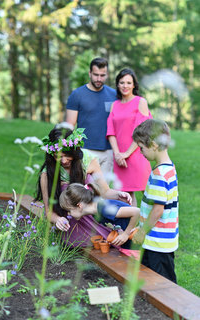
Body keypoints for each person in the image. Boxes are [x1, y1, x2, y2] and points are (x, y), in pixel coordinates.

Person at [35, 123, 132, 248]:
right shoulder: (47, 173)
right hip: (71, 223)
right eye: (58, 157)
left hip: (92, 216)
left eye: (66, 155)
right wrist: (58, 220)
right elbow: (48, 211)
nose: (63, 161)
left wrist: (118, 194)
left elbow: (105, 191)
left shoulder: (88, 161)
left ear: (74, 151)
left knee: (117, 231)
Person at [132, 119, 178, 283]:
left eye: (141, 148)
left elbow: (158, 210)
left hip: (157, 241)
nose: (141, 152)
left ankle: (170, 308)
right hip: (160, 240)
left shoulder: (159, 174)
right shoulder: (169, 168)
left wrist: (143, 231)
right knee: (149, 278)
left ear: (154, 145)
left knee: (161, 284)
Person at [106, 68, 152, 206]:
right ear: (117, 84)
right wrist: (118, 154)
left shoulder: (140, 102)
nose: (125, 86)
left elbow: (143, 131)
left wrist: (126, 154)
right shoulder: (114, 105)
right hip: (119, 157)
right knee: (126, 196)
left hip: (138, 154)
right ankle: (133, 227)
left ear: (134, 85)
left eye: (128, 82)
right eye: (121, 82)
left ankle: (156, 225)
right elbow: (111, 132)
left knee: (148, 193)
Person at [66, 57, 116, 177]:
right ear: (89, 73)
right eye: (95, 75)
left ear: (107, 75)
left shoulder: (114, 95)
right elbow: (69, 125)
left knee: (102, 192)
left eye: (102, 75)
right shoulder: (77, 95)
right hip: (85, 150)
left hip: (108, 151)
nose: (99, 79)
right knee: (83, 190)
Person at [59, 182, 140, 246]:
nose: (68, 214)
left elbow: (136, 212)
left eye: (69, 210)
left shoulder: (104, 209)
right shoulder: (95, 213)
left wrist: (125, 234)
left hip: (140, 236)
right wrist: (120, 232)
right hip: (131, 240)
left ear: (79, 205)